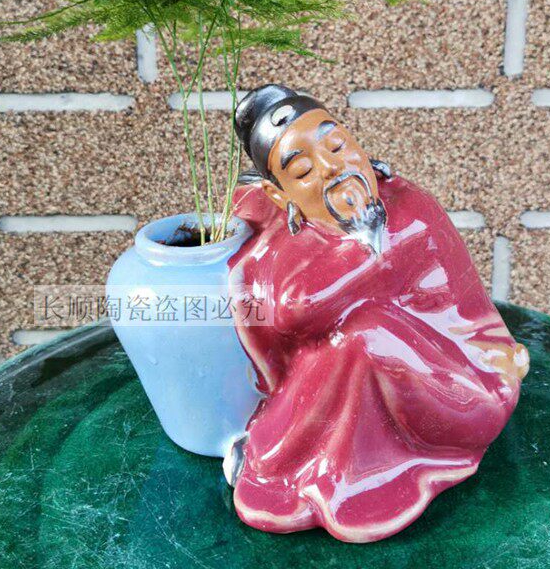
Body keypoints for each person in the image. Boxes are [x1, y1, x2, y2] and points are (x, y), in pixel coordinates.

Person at [226, 84, 529, 543]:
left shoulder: (407, 216)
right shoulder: (301, 239)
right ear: (280, 194)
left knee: (365, 334)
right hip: (388, 394)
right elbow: (288, 314)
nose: (332, 167)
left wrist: (365, 236)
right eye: (303, 170)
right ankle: (286, 459)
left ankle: (292, 462)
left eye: (336, 146)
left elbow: (304, 305)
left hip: (465, 389)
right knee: (350, 339)